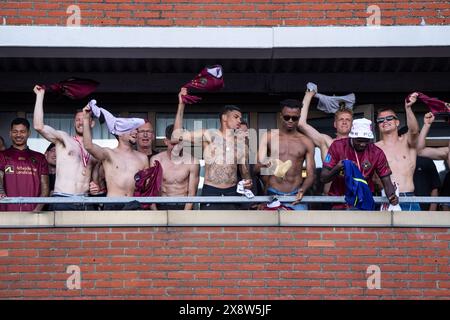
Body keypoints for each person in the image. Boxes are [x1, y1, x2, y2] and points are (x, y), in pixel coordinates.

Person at [172, 88, 252, 210]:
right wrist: (181, 105)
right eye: (236, 117)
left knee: (232, 227)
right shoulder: (209, 135)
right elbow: (176, 136)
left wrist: (248, 183)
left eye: (240, 118)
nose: (239, 121)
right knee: (208, 226)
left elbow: (246, 174)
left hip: (232, 192)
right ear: (224, 117)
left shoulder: (241, 144)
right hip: (211, 190)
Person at [33, 85, 97, 210]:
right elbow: (38, 126)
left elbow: (98, 179)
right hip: (63, 198)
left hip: (85, 200)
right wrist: (40, 96)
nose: (80, 122)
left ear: (92, 123)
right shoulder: (64, 139)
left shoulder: (95, 150)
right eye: (77, 119)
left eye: (84, 118)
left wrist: (96, 186)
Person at [82, 104, 149, 210]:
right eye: (131, 129)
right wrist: (86, 119)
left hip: (135, 204)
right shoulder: (109, 154)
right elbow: (88, 146)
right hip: (113, 203)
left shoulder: (143, 158)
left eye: (136, 129)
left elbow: (146, 187)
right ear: (120, 133)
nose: (135, 132)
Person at [321, 118, 398, 209]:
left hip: (364, 202)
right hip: (340, 202)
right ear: (352, 137)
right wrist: (338, 167)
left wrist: (391, 196)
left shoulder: (377, 153)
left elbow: (386, 181)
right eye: (359, 140)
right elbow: (323, 178)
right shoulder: (337, 147)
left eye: (366, 140)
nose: (363, 144)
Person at [257, 99, 316, 210]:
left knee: (301, 226)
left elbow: (311, 174)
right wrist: (268, 164)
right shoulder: (268, 137)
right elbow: (255, 168)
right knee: (269, 227)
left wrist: (303, 190)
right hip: (272, 194)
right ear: (281, 116)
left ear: (299, 118)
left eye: (294, 118)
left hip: (296, 196)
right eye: (286, 117)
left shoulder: (306, 142)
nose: (290, 120)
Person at [298, 89, 353, 198]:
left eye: (348, 119)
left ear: (352, 124)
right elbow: (301, 124)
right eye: (341, 119)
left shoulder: (358, 145)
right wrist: (309, 95)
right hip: (331, 198)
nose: (344, 121)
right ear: (335, 124)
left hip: (353, 198)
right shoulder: (327, 142)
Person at [375, 93, 421, 211]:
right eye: (380, 120)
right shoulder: (374, 148)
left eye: (389, 118)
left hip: (409, 197)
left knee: (416, 230)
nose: (385, 121)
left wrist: (408, 108)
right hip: (386, 198)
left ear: (397, 122)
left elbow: (414, 131)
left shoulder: (407, 141)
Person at [0, 118, 49, 211]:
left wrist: (37, 211)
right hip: (6, 213)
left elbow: (45, 189)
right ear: (10, 133)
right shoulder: (2, 156)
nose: (18, 135)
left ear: (29, 133)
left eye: (22, 131)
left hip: (33, 214)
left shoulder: (40, 158)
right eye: (15, 131)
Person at [150, 124, 199, 210]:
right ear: (166, 141)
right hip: (162, 205)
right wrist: (155, 213)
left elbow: (192, 194)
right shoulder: (156, 160)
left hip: (183, 206)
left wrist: (184, 216)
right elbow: (150, 191)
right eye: (173, 144)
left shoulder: (192, 162)